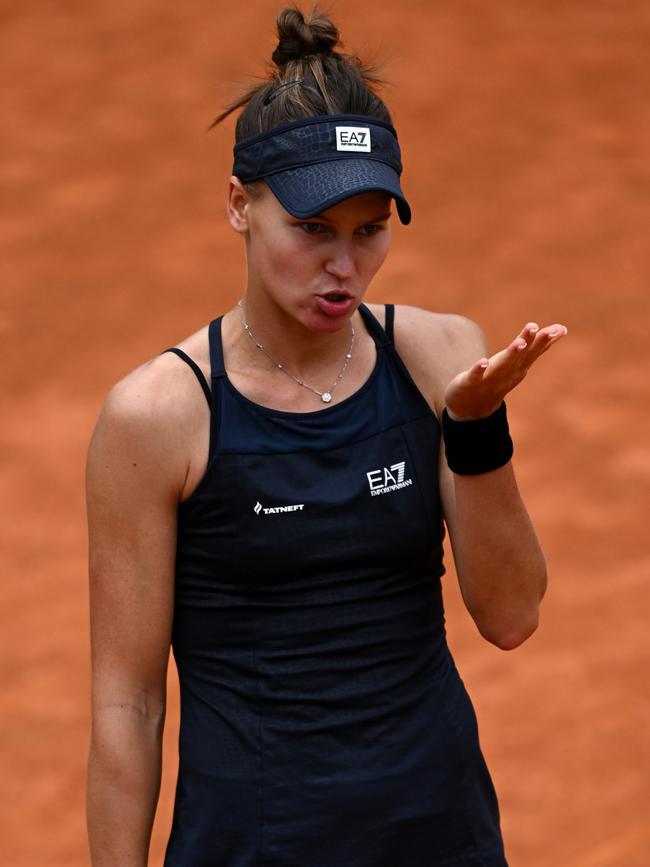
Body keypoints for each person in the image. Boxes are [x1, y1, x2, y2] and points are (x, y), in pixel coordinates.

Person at [85, 6, 567, 866]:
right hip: (254, 844)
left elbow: (513, 614)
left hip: (439, 834)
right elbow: (129, 702)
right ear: (238, 205)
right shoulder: (159, 416)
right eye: (311, 231)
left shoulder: (438, 357)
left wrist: (475, 428)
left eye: (369, 230)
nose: (343, 266)